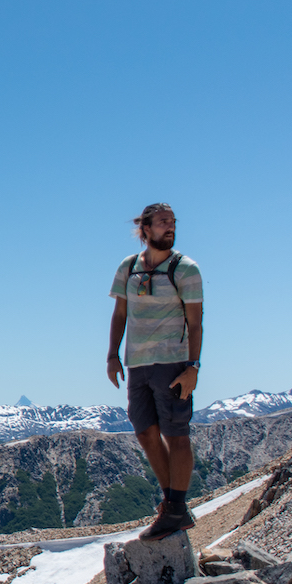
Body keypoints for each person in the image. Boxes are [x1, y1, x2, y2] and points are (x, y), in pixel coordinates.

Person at [107, 203, 204, 541]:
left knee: (176, 433)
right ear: (144, 229)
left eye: (173, 222)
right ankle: (173, 505)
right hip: (137, 363)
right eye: (163, 222)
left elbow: (196, 321)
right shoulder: (128, 268)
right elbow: (120, 313)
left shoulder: (185, 269)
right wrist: (112, 355)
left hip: (172, 362)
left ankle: (174, 507)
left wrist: (193, 366)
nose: (170, 227)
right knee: (145, 430)